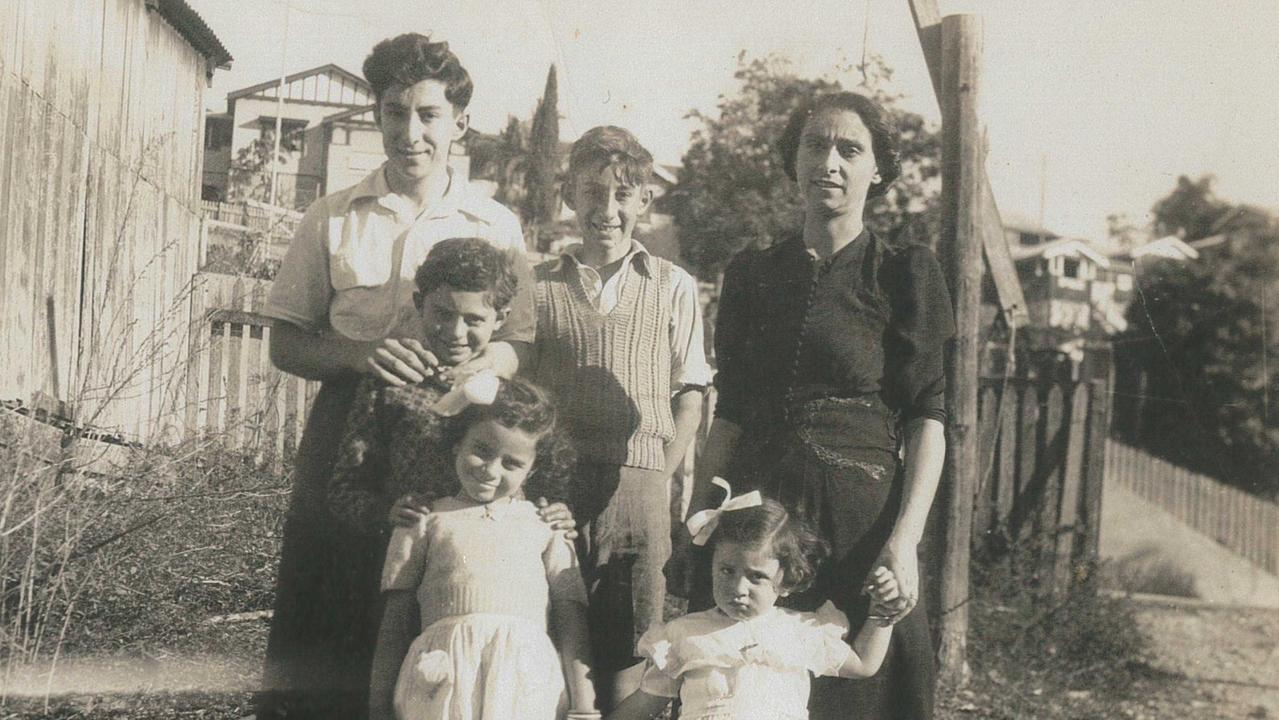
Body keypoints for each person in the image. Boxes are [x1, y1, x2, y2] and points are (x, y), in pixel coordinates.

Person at [256, 35, 558, 719]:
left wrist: (489, 364)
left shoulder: (495, 223)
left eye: (427, 114)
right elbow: (284, 342)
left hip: (459, 439)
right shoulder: (333, 217)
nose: (409, 132)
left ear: (459, 125)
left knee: (437, 615)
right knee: (329, 610)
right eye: (393, 113)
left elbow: (522, 342)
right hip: (351, 436)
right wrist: (360, 354)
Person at [689, 92, 955, 719]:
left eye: (849, 149)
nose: (828, 162)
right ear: (794, 160)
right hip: (762, 529)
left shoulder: (903, 274)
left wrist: (904, 543)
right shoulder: (754, 274)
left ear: (878, 170)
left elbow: (928, 420)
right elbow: (730, 412)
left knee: (860, 696)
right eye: (815, 145)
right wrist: (700, 515)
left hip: (859, 525)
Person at [529, 125, 712, 710]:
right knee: (554, 637)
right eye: (591, 193)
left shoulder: (672, 285)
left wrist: (662, 473)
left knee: (635, 647)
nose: (606, 210)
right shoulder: (537, 287)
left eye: (622, 195)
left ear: (644, 201)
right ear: (569, 196)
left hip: (638, 489)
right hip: (552, 489)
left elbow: (691, 392)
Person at [367, 377, 599, 720]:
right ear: (457, 444)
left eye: (511, 463)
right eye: (482, 451)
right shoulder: (423, 519)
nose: (491, 471)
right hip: (442, 684)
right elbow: (394, 625)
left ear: (532, 468)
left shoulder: (547, 524)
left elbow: (572, 623)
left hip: (522, 683)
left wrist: (584, 709)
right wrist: (378, 710)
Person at [608, 489, 899, 720]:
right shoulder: (683, 634)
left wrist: (881, 612)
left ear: (786, 582)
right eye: (726, 571)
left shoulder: (802, 630)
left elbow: (863, 665)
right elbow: (645, 702)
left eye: (756, 577)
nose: (738, 588)